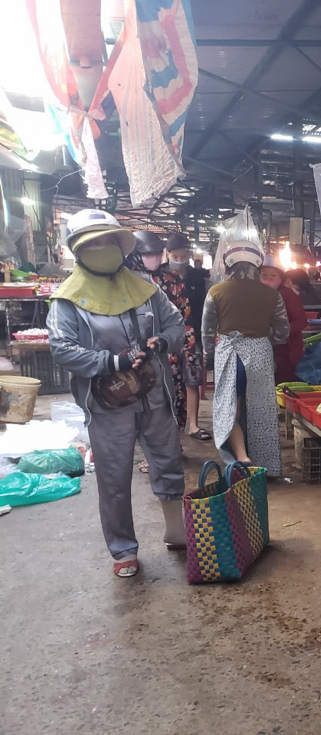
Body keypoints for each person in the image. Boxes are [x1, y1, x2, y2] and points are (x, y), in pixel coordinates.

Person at [47, 210, 187, 578]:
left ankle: (177, 530)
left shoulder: (145, 288)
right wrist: (111, 361)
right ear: (79, 251)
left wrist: (161, 341)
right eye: (93, 244)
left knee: (168, 459)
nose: (103, 248)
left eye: (108, 241)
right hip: (107, 404)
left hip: (154, 394)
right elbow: (62, 349)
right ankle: (123, 549)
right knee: (114, 475)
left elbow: (175, 323)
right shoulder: (68, 300)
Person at [201, 241, 290, 475]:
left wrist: (209, 356)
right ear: (257, 265)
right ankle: (263, 464)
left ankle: (240, 457)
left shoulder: (216, 292)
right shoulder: (272, 295)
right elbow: (283, 333)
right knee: (260, 411)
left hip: (229, 355)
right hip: (260, 355)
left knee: (229, 408)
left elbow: (207, 333)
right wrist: (263, 338)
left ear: (228, 264)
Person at [127, 231, 205, 439]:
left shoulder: (171, 280)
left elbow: (184, 315)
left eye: (156, 253)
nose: (153, 257)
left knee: (173, 397)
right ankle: (149, 451)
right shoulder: (126, 283)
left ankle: (172, 443)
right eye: (147, 253)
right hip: (138, 354)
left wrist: (187, 347)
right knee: (141, 401)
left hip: (171, 349)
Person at [165, 234, 210, 440]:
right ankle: (169, 424)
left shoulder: (197, 276)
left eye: (184, 256)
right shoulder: (160, 275)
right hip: (166, 336)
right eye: (175, 255)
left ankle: (193, 424)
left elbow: (203, 307)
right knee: (169, 379)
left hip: (193, 335)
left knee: (192, 379)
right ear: (167, 254)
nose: (180, 259)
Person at [260, 256, 308, 384]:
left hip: (286, 351)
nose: (268, 279)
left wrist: (277, 332)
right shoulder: (258, 294)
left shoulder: (287, 295)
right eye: (264, 275)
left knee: (282, 385)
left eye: (273, 276)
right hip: (266, 350)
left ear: (281, 279)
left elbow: (301, 321)